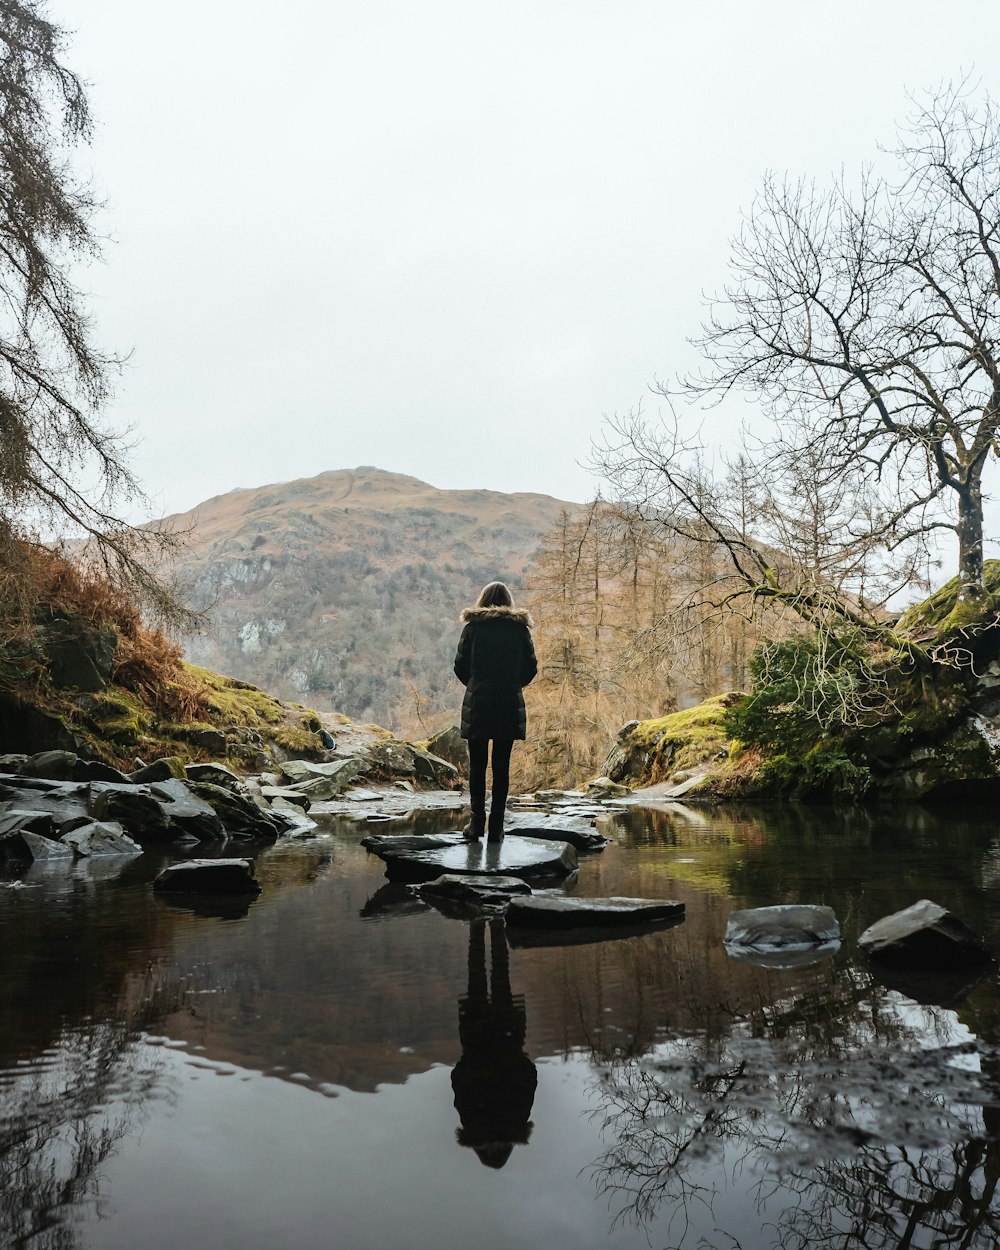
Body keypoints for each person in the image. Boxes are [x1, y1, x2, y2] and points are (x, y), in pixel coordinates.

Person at [453, 580, 537, 841]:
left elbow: (460, 665)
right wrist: (513, 686)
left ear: (482, 599)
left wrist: (476, 685)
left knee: (477, 765)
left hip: (478, 702)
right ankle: (497, 828)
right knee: (502, 766)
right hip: (508, 703)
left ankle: (476, 824)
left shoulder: (473, 629)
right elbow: (531, 667)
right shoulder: (519, 630)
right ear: (508, 602)